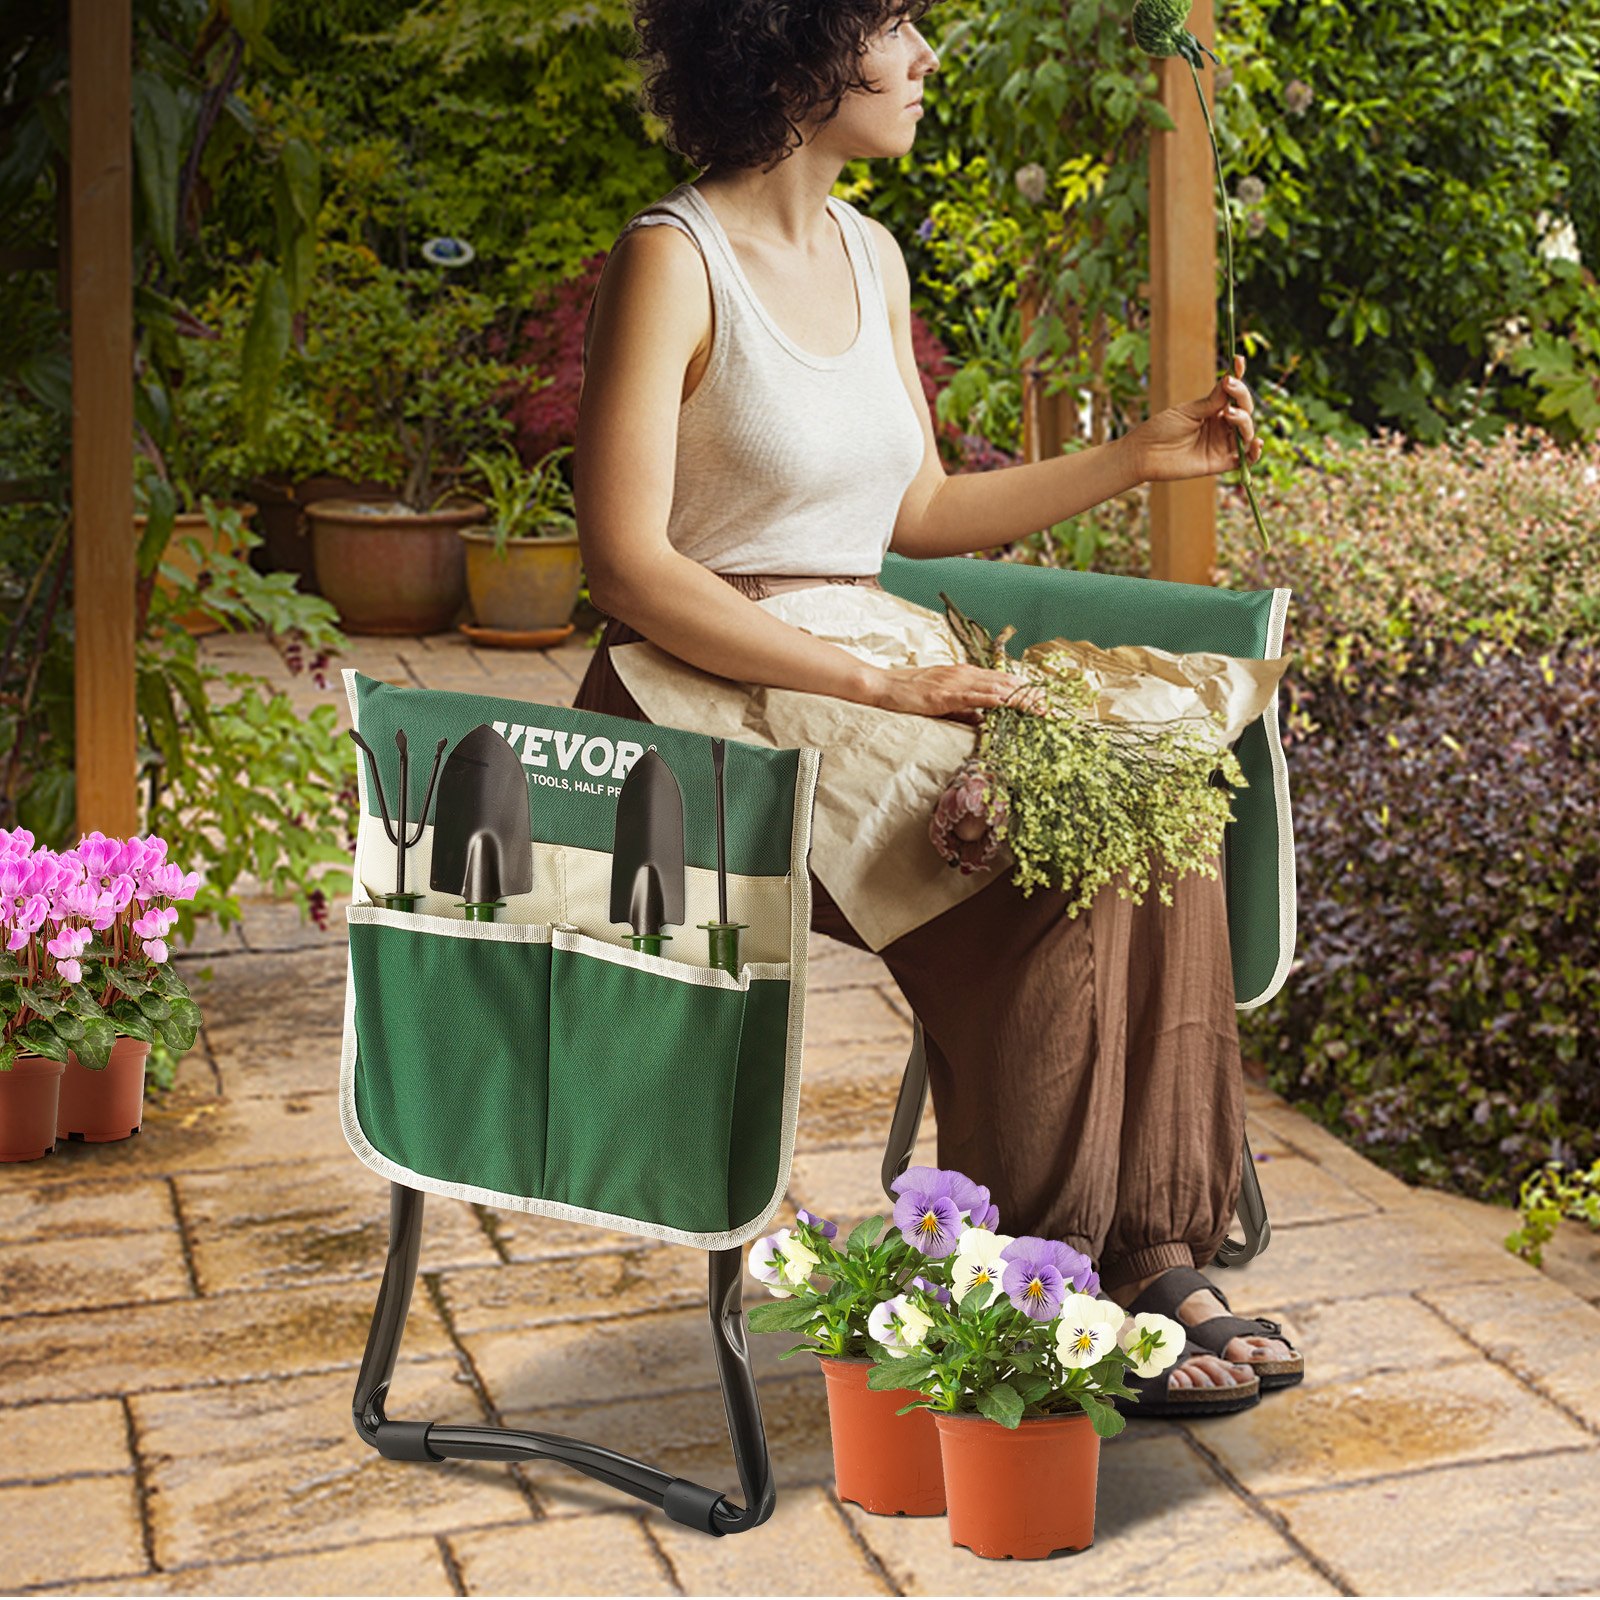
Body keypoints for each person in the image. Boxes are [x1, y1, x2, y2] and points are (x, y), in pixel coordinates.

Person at [572, 0, 1300, 1414]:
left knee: (1151, 793)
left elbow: (915, 510)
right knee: (1038, 856)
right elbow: (627, 562)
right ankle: (1040, 1284)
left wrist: (1142, 456)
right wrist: (879, 681)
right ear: (793, 48)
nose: (926, 61)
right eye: (898, 25)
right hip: (703, 686)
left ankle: (1147, 1252)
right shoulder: (675, 259)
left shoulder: (870, 253)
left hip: (860, 642)